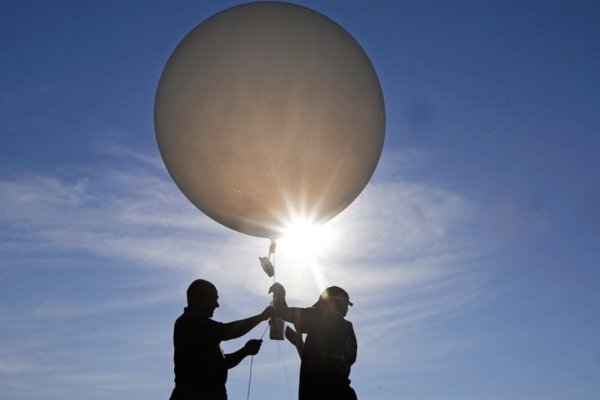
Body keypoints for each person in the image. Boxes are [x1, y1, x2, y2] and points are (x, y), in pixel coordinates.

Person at [169, 279, 272, 400]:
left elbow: (223, 363)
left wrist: (245, 351)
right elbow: (225, 331)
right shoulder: (189, 321)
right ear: (199, 297)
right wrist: (261, 317)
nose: (217, 305)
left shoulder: (198, 326)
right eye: (214, 298)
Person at [269, 282, 358, 400]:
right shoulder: (348, 331)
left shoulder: (321, 317)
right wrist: (299, 344)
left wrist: (280, 292)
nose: (347, 307)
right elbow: (322, 364)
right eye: (346, 304)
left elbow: (281, 311)